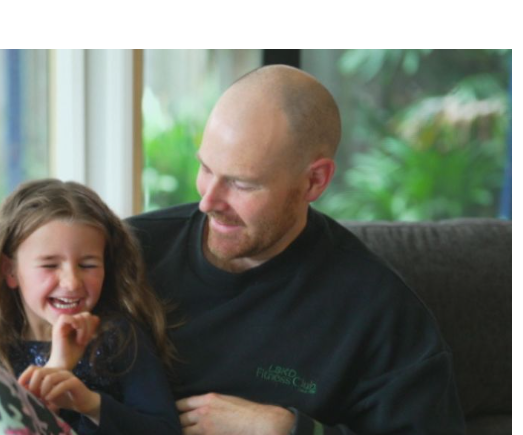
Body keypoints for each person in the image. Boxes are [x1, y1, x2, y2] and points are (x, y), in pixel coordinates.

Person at [128, 65, 466, 435]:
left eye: (242, 184)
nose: (208, 202)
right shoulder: (128, 253)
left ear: (314, 181)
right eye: (206, 168)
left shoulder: (380, 314)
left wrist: (287, 430)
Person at [0, 179, 179, 435]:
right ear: (10, 270)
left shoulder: (118, 336)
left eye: (88, 265)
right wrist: (56, 367)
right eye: (50, 265)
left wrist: (90, 404)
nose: (72, 283)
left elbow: (165, 430)